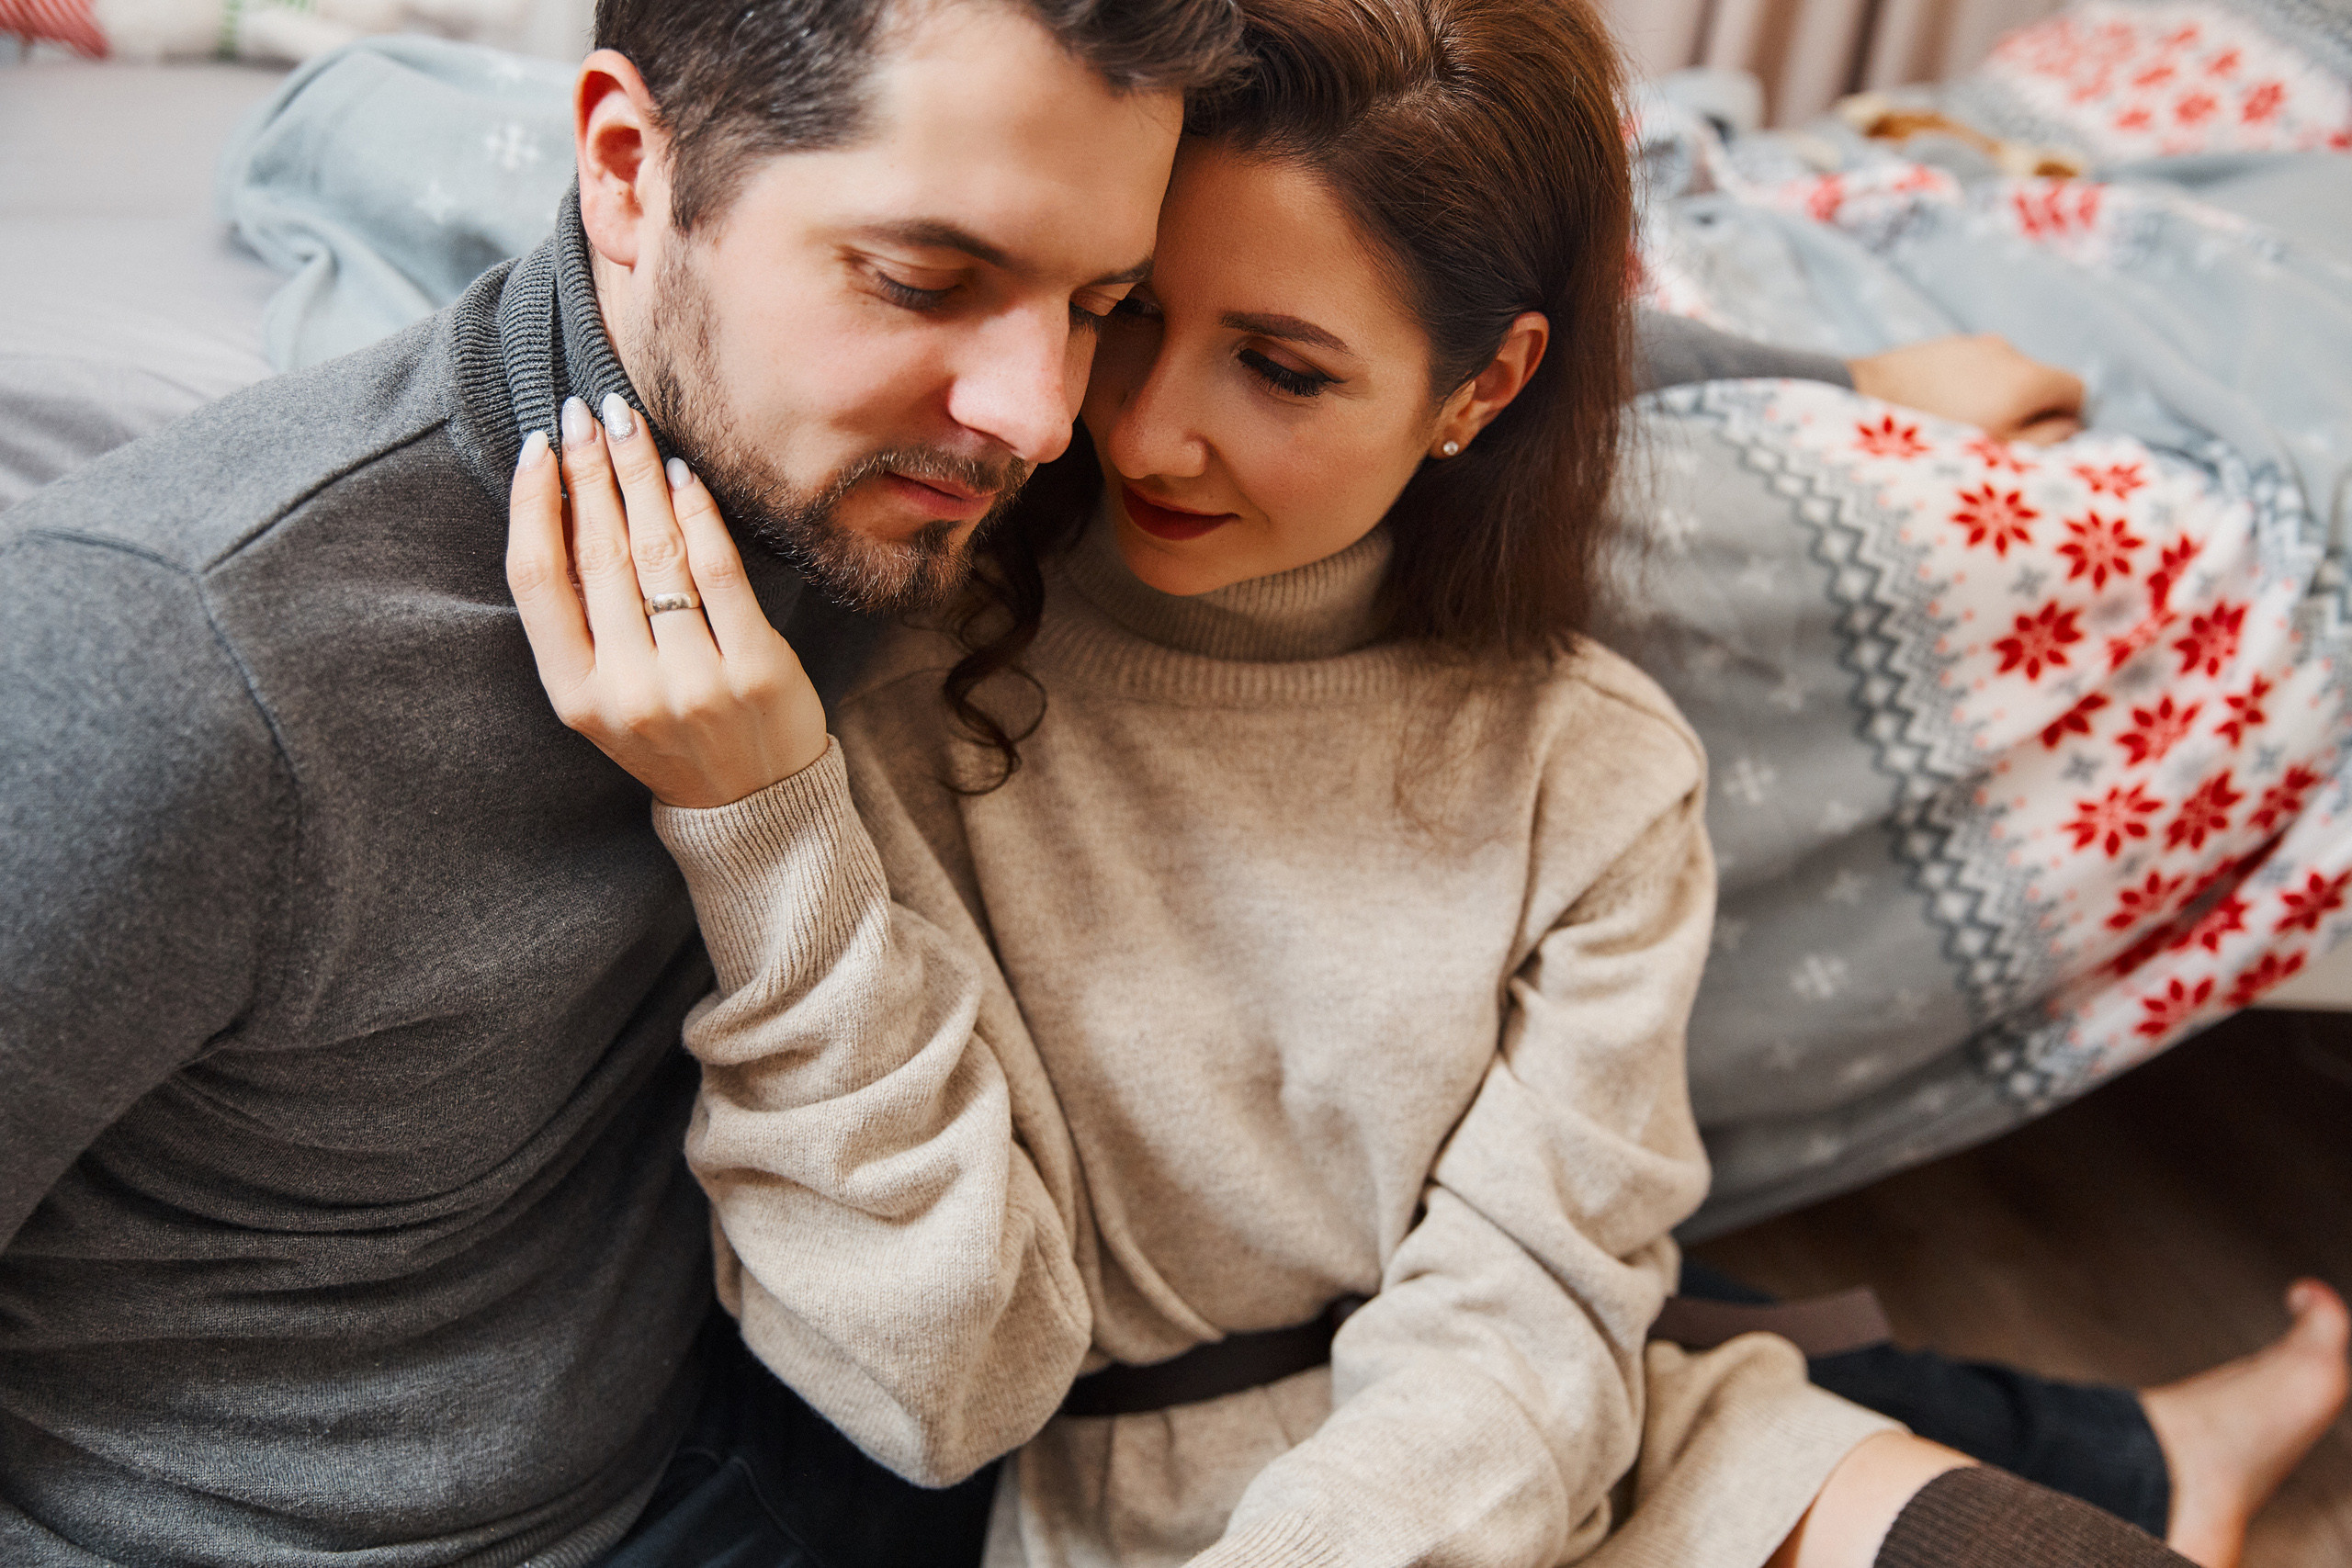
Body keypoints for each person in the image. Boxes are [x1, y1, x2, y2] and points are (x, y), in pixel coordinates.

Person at [505, 3, 2348, 1568]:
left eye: (1283, 370)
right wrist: (765, 834)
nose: (1129, 428)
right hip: (1071, 1494)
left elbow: (1530, 1319)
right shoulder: (900, 657)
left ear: (1479, 394)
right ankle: (2146, 1442)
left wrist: (1846, 370)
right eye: (1133, 313)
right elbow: (932, 1371)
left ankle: (2154, 1453)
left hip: (1497, 1445)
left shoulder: (1590, 762)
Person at [0, 0, 1247, 1562]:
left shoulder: (870, 495)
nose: (1042, 417)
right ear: (624, 168)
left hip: (744, 1443)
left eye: (1097, 303)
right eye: (928, 280)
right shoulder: (167, 661)